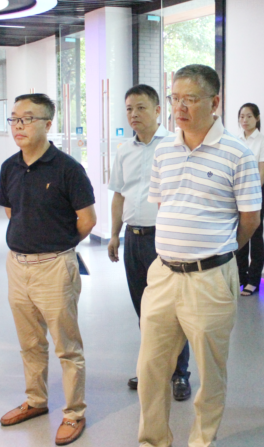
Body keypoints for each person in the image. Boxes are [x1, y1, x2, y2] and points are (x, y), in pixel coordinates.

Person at [138, 64, 262, 447]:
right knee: (150, 368)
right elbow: (164, 206)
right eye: (175, 98)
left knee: (210, 374)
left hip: (210, 279)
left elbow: (250, 220)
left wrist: (216, 252)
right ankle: (153, 440)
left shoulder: (238, 154)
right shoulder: (163, 151)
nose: (180, 107)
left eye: (190, 99)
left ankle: (201, 441)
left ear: (215, 102)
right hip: (163, 275)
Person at [0, 94, 96, 446]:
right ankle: (36, 401)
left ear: (48, 124)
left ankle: (74, 413)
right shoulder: (9, 167)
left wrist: (58, 245)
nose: (18, 126)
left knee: (67, 346)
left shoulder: (68, 168)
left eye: (27, 119)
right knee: (30, 342)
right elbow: (12, 212)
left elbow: (87, 220)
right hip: (17, 265)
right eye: (14, 119)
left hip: (55, 266)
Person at [107, 84, 191, 400]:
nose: (134, 114)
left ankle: (180, 373)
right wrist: (114, 234)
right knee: (144, 310)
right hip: (133, 237)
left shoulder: (175, 145)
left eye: (141, 107)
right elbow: (119, 195)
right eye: (129, 108)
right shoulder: (124, 151)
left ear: (158, 110)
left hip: (165, 238)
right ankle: (152, 369)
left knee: (172, 311)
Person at [236, 102, 264, 296]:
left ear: (257, 118)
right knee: (240, 233)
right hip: (238, 192)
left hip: (255, 192)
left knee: (256, 236)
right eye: (242, 116)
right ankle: (240, 276)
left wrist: (251, 193)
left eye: (249, 116)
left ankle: (254, 280)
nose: (245, 120)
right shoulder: (236, 140)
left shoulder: (262, 141)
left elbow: (262, 173)